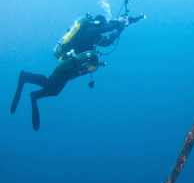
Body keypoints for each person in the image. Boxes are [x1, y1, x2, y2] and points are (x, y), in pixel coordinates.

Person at [10, 13, 144, 131]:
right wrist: (123, 21)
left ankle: (34, 96)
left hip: (72, 68)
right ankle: (24, 76)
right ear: (98, 23)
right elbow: (108, 27)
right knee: (50, 82)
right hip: (67, 64)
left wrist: (117, 32)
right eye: (101, 25)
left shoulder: (94, 36)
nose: (102, 30)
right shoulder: (90, 29)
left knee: (55, 90)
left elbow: (107, 42)